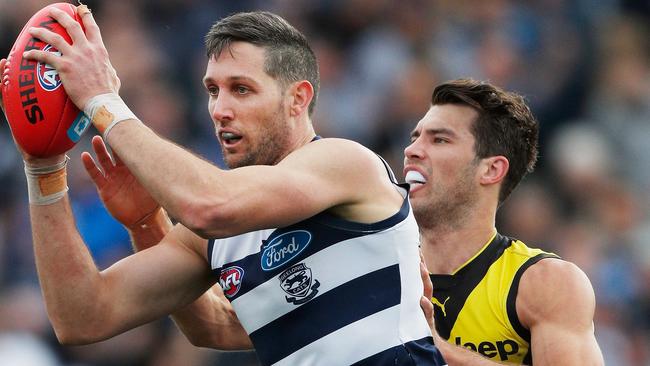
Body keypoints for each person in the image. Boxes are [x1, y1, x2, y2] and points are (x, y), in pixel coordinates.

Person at [0, 7, 446, 366]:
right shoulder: (214, 231)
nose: (220, 109)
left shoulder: (345, 162)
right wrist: (45, 169)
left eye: (242, 89)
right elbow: (84, 317)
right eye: (213, 90)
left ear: (299, 98)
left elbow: (210, 205)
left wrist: (102, 99)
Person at [405, 79, 604, 365]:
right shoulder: (376, 269)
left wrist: (438, 349)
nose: (411, 150)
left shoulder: (544, 283)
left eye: (439, 139)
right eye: (415, 137)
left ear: (491, 169)